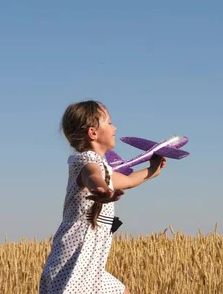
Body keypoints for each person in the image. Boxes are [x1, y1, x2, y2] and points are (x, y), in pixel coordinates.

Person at [39, 100, 167, 294]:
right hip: (73, 264)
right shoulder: (84, 161)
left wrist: (153, 170)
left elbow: (129, 180)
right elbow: (91, 176)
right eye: (109, 122)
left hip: (93, 269)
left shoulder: (104, 167)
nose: (114, 127)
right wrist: (100, 189)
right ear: (93, 133)